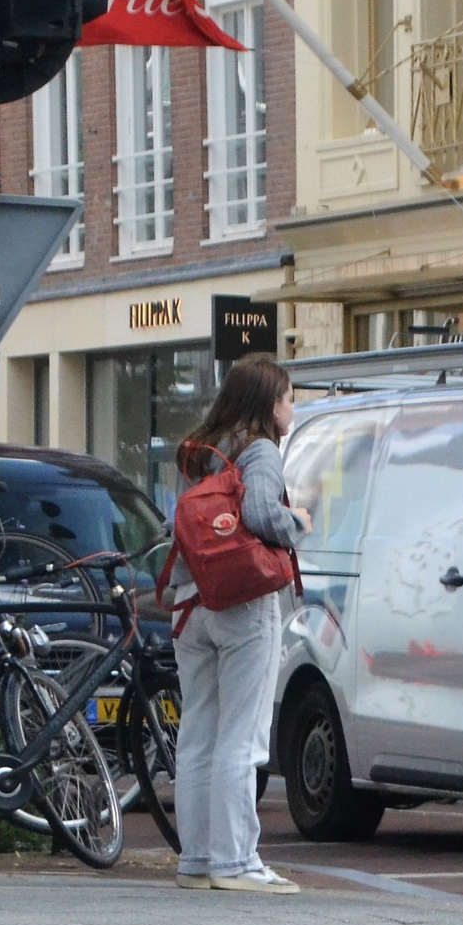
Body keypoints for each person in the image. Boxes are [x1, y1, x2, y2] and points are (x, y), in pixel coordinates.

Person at [167, 355, 305, 894]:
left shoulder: (201, 447)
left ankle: (197, 859)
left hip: (190, 599)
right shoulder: (261, 450)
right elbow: (263, 517)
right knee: (242, 737)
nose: (294, 407)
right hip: (244, 602)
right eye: (289, 397)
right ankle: (237, 862)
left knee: (199, 730)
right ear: (270, 403)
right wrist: (298, 523)